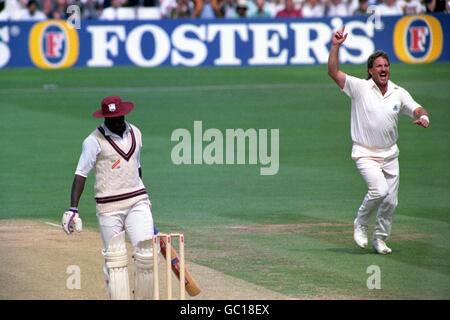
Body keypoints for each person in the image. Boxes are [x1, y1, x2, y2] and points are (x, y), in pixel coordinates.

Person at [327, 26, 430, 254]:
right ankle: (360, 223)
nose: (383, 69)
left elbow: (415, 107)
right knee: (379, 191)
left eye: (386, 66)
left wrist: (423, 116)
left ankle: (380, 239)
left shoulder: (398, 92)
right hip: (365, 153)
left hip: (390, 154)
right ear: (370, 71)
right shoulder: (360, 88)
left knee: (391, 202)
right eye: (379, 66)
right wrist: (336, 46)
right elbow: (333, 72)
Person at [62, 96, 155, 299]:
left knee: (147, 256)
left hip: (137, 201)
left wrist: (140, 194)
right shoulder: (93, 141)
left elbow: (136, 167)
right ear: (104, 117)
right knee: (115, 262)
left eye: (118, 117)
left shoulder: (136, 133)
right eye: (110, 119)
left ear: (124, 114)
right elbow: (81, 174)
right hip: (109, 207)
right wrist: (73, 209)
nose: (115, 122)